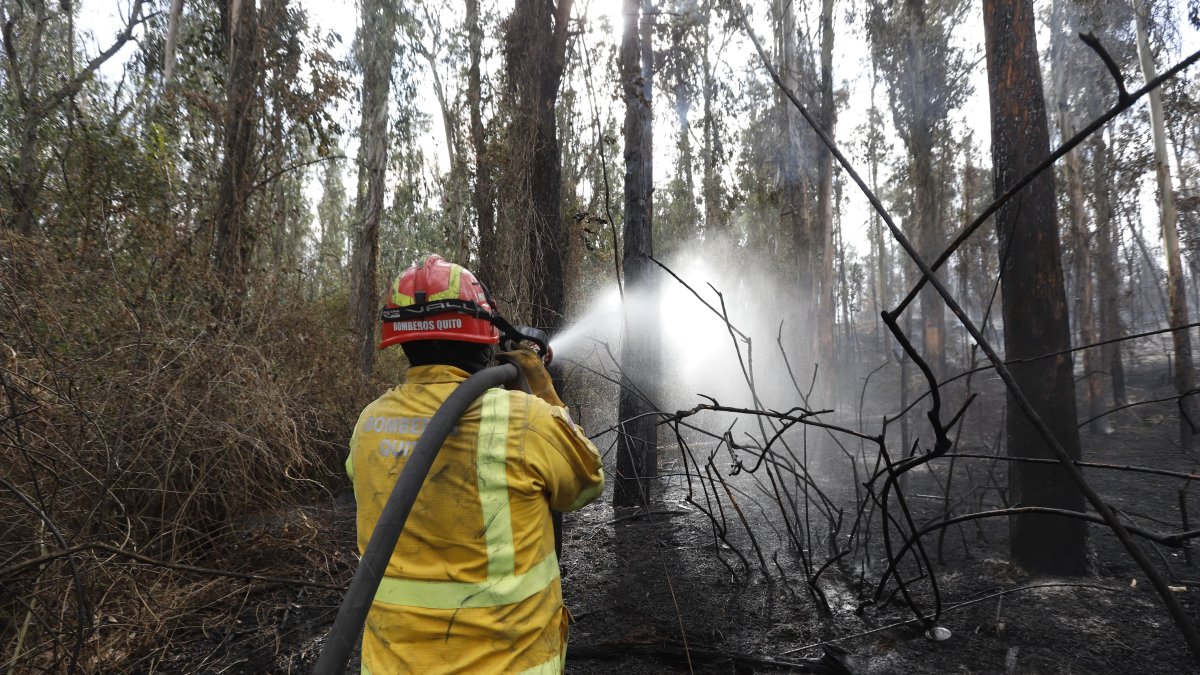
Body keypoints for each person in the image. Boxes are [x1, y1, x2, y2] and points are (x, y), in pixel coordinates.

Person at [346, 254, 605, 673]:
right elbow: (587, 482)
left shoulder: (369, 424)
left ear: (399, 340)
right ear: (485, 334)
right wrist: (544, 390)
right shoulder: (526, 420)